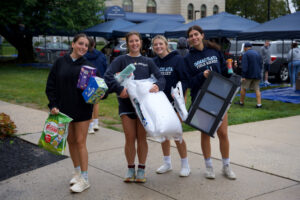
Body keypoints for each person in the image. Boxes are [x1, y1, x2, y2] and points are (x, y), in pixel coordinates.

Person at [104, 31, 165, 183]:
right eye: (131, 41)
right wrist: (119, 90)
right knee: (130, 138)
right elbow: (108, 76)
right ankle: (130, 168)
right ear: (127, 43)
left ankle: (141, 170)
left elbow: (161, 78)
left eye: (136, 41)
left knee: (142, 138)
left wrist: (158, 86)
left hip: (143, 107)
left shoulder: (148, 61)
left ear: (141, 43)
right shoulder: (121, 60)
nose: (134, 43)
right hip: (126, 105)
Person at [46, 33, 96, 193]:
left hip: (82, 110)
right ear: (73, 44)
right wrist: (53, 104)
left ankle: (85, 179)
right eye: (80, 43)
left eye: (86, 45)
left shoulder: (89, 67)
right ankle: (77, 172)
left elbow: (99, 90)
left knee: (81, 142)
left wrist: (99, 92)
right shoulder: (60, 62)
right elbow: (51, 85)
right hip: (64, 110)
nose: (83, 47)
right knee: (71, 141)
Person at [184, 25, 236, 180]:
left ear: (202, 35)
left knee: (223, 133)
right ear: (189, 39)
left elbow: (225, 72)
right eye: (191, 35)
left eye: (196, 34)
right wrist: (202, 75)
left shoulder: (214, 51)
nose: (194, 37)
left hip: (219, 97)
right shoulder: (187, 59)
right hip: (201, 99)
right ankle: (209, 167)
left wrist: (231, 70)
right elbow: (189, 82)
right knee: (206, 133)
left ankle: (226, 166)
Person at [151, 35, 190, 177]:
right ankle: (167, 163)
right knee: (163, 134)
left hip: (175, 103)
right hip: (160, 104)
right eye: (155, 45)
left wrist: (182, 98)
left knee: (177, 134)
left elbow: (184, 80)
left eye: (160, 44)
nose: (158, 47)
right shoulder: (153, 62)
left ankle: (185, 164)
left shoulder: (178, 59)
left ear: (166, 45)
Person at [84, 37, 107, 134]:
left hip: (86, 81)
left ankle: (90, 126)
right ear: (94, 44)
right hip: (99, 80)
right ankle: (96, 123)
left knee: (88, 104)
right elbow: (106, 67)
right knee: (96, 102)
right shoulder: (101, 55)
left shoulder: (83, 56)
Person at [235, 42, 263, 108]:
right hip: (257, 74)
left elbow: (245, 66)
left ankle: (241, 102)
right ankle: (259, 104)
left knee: (243, 88)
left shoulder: (246, 54)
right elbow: (261, 64)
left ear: (245, 48)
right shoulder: (257, 53)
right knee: (257, 89)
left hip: (248, 75)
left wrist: (243, 76)